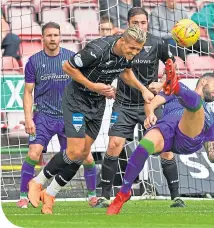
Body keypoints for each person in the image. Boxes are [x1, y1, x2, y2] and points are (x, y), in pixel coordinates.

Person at [107, 66, 214, 215]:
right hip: (168, 129)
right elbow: (152, 103)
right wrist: (150, 114)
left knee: (196, 104)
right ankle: (123, 193)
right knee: (142, 148)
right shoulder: (169, 94)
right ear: (204, 81)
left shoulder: (210, 116)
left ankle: (175, 84)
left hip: (188, 139)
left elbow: (212, 154)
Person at [27, 26, 153, 214]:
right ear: (122, 41)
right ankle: (37, 182)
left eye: (138, 50)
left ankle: (50, 194)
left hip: (97, 104)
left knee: (84, 153)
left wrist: (143, 89)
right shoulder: (98, 49)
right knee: (74, 150)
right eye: (132, 49)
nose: (134, 53)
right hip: (77, 100)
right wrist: (94, 86)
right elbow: (67, 66)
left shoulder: (128, 54)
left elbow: (126, 72)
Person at [98, 7, 184, 208]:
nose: (140, 26)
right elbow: (120, 71)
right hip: (124, 104)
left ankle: (176, 197)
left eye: (143, 23)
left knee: (166, 148)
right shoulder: (119, 42)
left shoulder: (157, 43)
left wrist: (163, 84)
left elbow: (172, 68)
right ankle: (104, 196)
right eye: (135, 23)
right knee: (114, 144)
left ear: (147, 23)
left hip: (150, 105)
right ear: (128, 24)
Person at [16, 22, 77, 208]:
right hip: (43, 116)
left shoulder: (71, 58)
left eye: (56, 35)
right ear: (43, 38)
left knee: (75, 156)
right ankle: (23, 196)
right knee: (34, 153)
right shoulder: (34, 61)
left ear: (60, 37)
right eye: (49, 35)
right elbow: (27, 92)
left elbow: (81, 86)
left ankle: (87, 194)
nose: (53, 39)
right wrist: (28, 118)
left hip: (67, 116)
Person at [149, 0, 214, 60]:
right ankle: (181, 67)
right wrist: (174, 35)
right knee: (177, 44)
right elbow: (154, 33)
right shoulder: (156, 12)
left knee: (204, 44)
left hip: (184, 38)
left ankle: (205, 66)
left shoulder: (182, 10)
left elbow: (189, 27)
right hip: (167, 40)